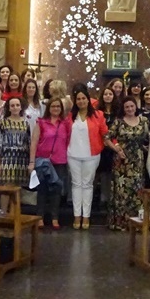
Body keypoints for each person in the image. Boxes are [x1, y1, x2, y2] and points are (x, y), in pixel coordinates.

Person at [66, 87, 109, 229]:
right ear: (75, 101)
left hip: (91, 155)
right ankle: (77, 216)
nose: (81, 101)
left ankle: (86, 216)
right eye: (78, 99)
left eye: (83, 98)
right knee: (76, 184)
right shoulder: (70, 116)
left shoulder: (98, 115)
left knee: (87, 185)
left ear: (88, 99)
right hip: (73, 154)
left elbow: (105, 134)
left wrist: (115, 145)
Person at [104, 96, 149, 230]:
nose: (129, 109)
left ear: (136, 107)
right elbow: (107, 138)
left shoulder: (144, 121)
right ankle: (120, 222)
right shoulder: (118, 122)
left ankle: (136, 223)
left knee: (137, 190)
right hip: (122, 161)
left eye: (131, 106)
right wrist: (116, 149)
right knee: (121, 192)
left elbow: (147, 139)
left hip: (137, 160)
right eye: (127, 107)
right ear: (123, 109)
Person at [29, 98, 70, 229]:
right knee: (42, 190)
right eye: (53, 106)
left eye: (58, 106)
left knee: (56, 190)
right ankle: (40, 217)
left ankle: (54, 217)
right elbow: (34, 142)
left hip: (60, 161)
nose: (56, 109)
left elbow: (68, 141)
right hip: (43, 161)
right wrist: (32, 161)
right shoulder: (41, 122)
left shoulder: (65, 123)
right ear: (48, 108)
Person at [0, 97, 30, 210]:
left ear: (21, 107)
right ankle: (3, 214)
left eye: (17, 105)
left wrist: (31, 162)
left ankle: (14, 216)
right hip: (7, 159)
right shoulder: (3, 122)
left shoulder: (26, 123)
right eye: (12, 105)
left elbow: (29, 143)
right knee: (6, 188)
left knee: (18, 189)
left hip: (22, 159)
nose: (15, 107)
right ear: (9, 108)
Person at [96, 87, 120, 206]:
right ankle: (102, 199)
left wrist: (115, 143)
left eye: (110, 94)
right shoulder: (97, 112)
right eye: (105, 94)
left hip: (115, 145)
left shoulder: (118, 111)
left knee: (112, 173)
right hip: (101, 146)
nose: (108, 96)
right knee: (102, 173)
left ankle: (113, 199)